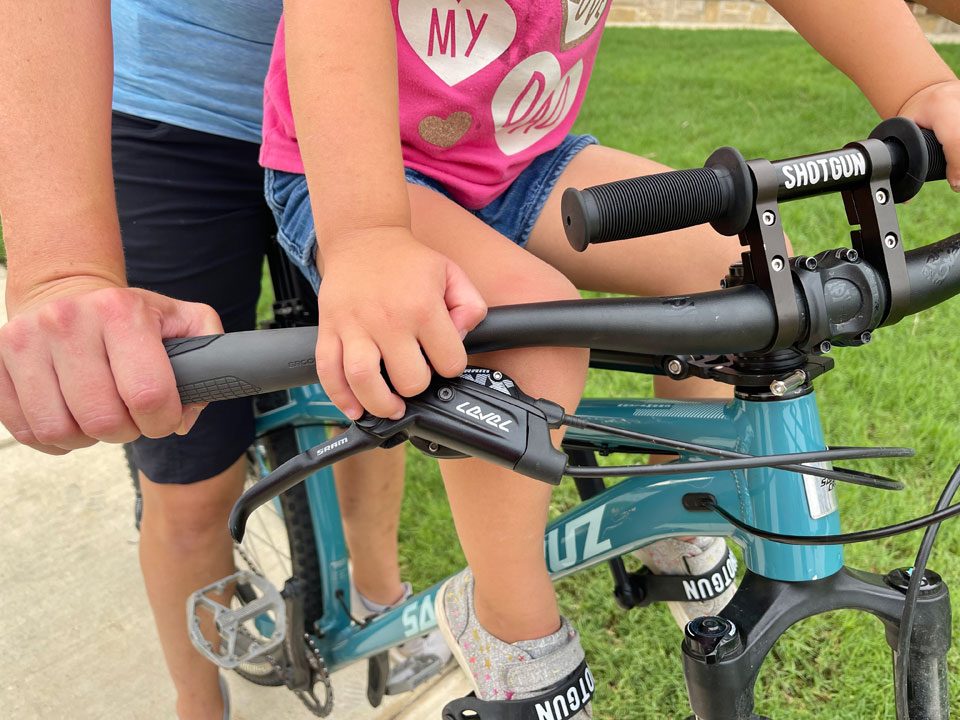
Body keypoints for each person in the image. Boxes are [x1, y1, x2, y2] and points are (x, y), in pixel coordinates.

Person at [0, 2, 733, 718]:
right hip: (181, 110)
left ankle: (380, 600)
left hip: (407, 126)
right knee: (190, 479)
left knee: (388, 368)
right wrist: (62, 269)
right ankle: (199, 701)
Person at [259, 0, 960, 714]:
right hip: (365, 177)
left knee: (722, 273)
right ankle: (507, 622)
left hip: (523, 162)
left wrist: (916, 87)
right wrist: (370, 234)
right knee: (529, 335)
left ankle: (676, 508)